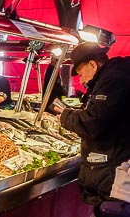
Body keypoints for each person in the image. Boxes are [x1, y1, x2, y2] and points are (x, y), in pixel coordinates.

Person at [56, 42, 130, 216]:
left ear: (92, 64)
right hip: (112, 174)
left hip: (114, 176)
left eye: (81, 73)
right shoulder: (115, 76)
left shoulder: (113, 79)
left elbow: (93, 122)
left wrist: (65, 116)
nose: (81, 80)